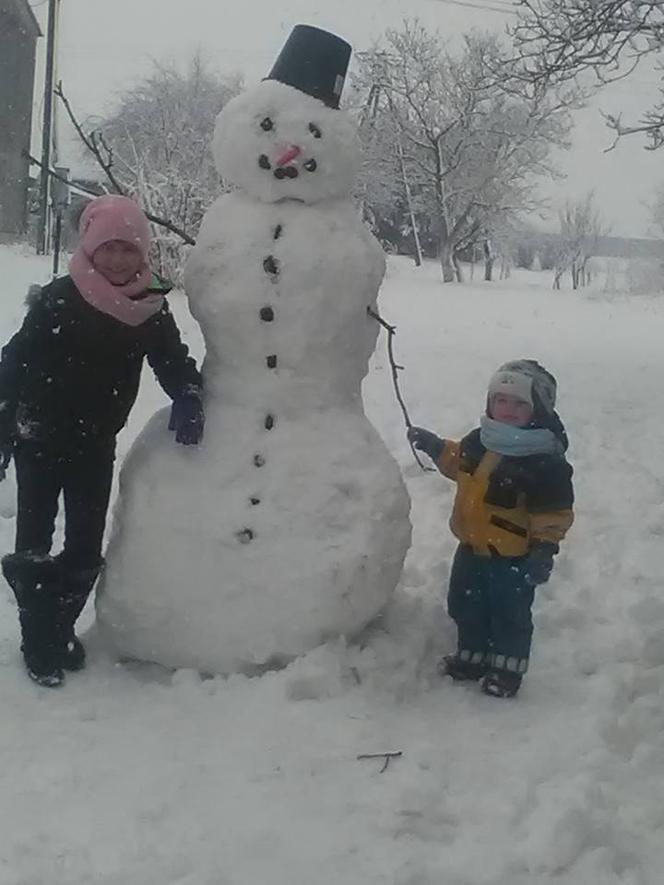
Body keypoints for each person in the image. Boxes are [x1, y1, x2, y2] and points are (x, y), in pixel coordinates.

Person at [0, 194, 204, 688]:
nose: (117, 259)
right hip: (39, 437)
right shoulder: (60, 298)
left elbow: (170, 358)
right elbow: (14, 366)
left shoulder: (149, 304)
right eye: (107, 247)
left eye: (128, 249)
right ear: (90, 247)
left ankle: (60, 627)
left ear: (143, 253)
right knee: (35, 542)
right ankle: (38, 642)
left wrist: (189, 393)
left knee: (86, 547)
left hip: (94, 442)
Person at [408, 360, 574, 698]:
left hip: (513, 558)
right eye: (501, 400)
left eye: (519, 403)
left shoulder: (545, 462)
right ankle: (472, 655)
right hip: (471, 548)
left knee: (509, 613)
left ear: (538, 409)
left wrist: (544, 549)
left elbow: (553, 512)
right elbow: (459, 464)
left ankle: (507, 667)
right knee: (464, 603)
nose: (508, 410)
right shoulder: (479, 441)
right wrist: (437, 447)